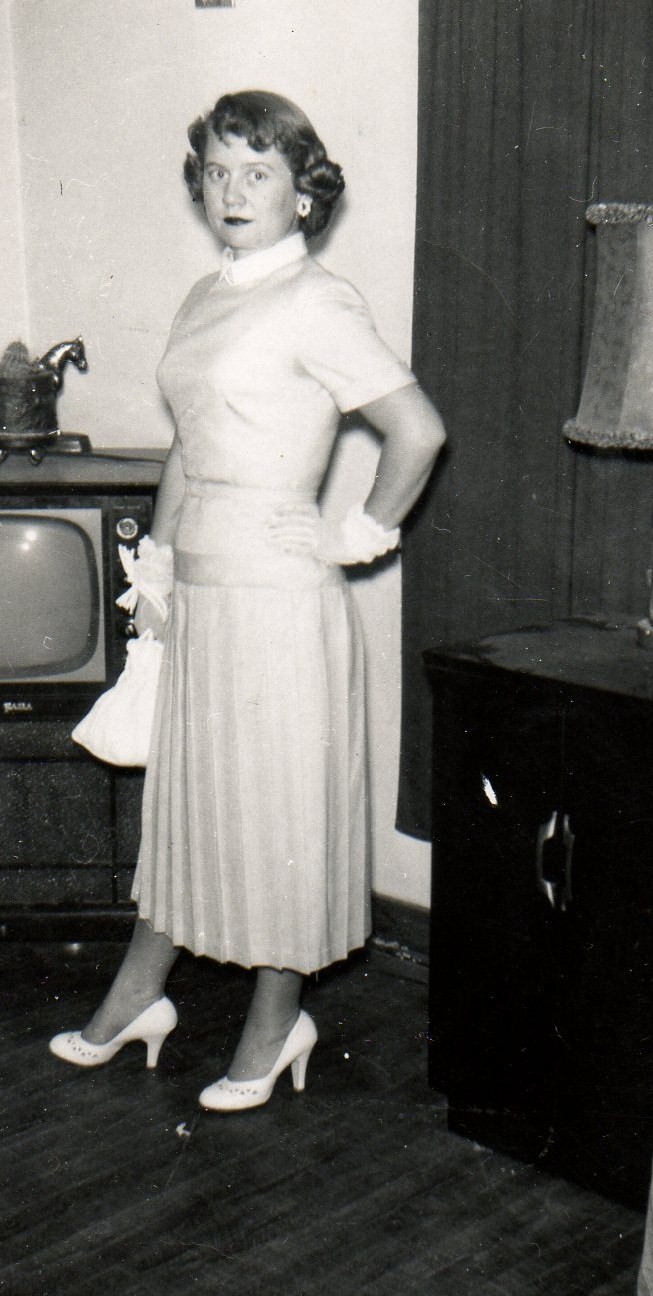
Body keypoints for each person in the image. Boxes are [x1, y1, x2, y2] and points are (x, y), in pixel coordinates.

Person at [49, 90, 446, 1111]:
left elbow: (417, 432)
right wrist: (158, 574)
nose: (231, 191)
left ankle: (275, 1025)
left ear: (302, 193)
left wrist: (353, 534)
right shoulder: (205, 294)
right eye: (217, 172)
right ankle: (138, 995)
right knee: (187, 805)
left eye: (257, 172)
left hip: (277, 602)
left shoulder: (318, 300)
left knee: (276, 814)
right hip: (201, 592)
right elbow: (187, 448)